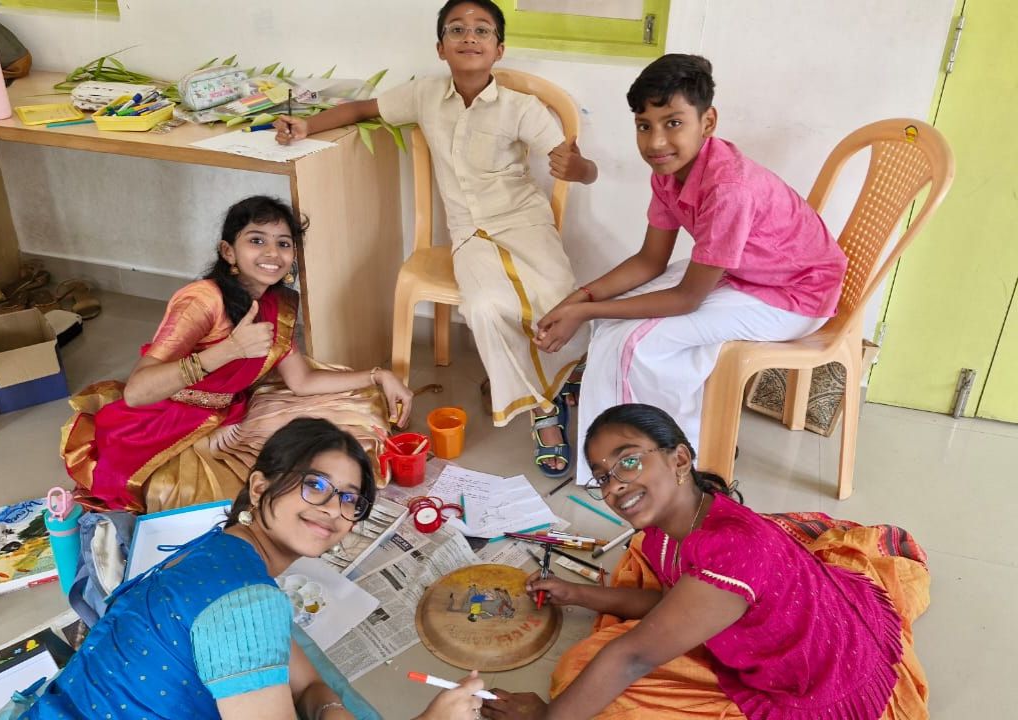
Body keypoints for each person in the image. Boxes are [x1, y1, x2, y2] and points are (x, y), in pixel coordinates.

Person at [274, 0, 598, 478]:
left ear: (499, 49)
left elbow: (581, 167)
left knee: (558, 299)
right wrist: (307, 125)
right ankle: (545, 410)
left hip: (526, 223)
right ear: (441, 47)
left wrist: (578, 169)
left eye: (482, 30)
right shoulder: (424, 94)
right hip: (470, 235)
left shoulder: (521, 107)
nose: (470, 37)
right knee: (484, 307)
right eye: (457, 29)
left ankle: (560, 375)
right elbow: (363, 108)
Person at [481, 404, 930, 719]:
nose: (614, 486)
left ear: (679, 459)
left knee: (593, 685)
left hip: (819, 680)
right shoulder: (666, 527)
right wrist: (577, 594)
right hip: (782, 627)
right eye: (603, 477)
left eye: (629, 462)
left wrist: (546, 719)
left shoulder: (731, 550)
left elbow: (632, 658)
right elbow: (675, 602)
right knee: (588, 672)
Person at [25, 418, 486, 719]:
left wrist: (328, 709)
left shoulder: (219, 550)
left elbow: (308, 682)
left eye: (351, 499)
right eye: (315, 485)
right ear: (261, 486)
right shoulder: (249, 604)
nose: (333, 508)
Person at [532, 54, 848, 463]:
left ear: (708, 122)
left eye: (673, 123)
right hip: (749, 272)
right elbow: (650, 260)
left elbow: (687, 299)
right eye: (644, 126)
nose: (656, 142)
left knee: (638, 344)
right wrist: (579, 299)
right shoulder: (668, 172)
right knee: (613, 321)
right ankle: (685, 435)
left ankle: (649, 460)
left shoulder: (729, 188)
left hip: (795, 295)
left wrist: (585, 311)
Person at [61, 195, 413, 513]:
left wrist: (378, 375)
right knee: (251, 499)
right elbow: (137, 392)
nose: (272, 253)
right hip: (163, 422)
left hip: (230, 413)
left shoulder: (276, 302)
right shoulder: (202, 301)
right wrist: (228, 351)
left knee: (359, 416)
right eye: (257, 240)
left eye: (283, 243)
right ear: (228, 252)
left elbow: (302, 381)